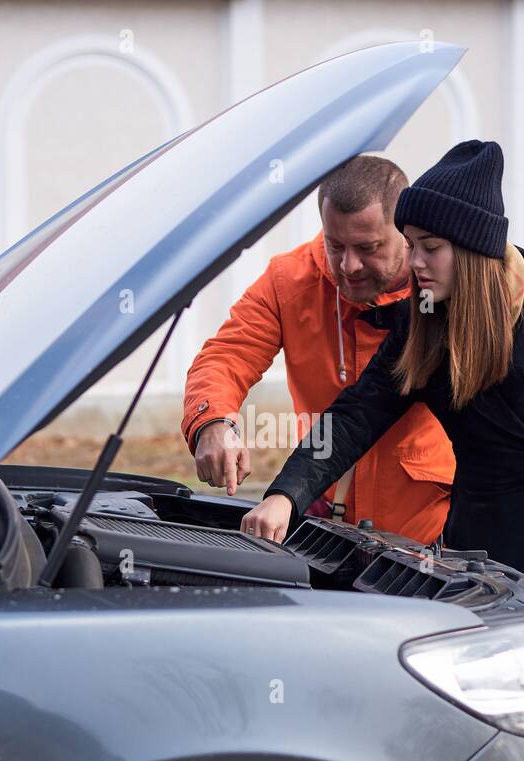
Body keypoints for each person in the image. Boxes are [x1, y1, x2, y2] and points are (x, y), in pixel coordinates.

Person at [240, 140, 524, 672]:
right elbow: (354, 418)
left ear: (472, 247)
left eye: (429, 247)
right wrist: (287, 493)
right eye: (410, 244)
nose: (413, 263)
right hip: (489, 554)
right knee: (495, 707)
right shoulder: (422, 327)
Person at [182, 156, 455, 545]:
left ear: (404, 234)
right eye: (335, 244)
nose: (350, 265)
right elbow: (228, 355)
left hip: (432, 527)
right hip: (323, 515)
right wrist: (211, 421)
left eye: (368, 247)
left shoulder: (440, 287)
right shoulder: (289, 279)